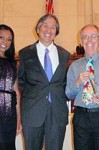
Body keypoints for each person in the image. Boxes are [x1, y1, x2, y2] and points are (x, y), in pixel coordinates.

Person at [18, 14, 70, 150]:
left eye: (53, 27)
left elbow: (65, 83)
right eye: (45, 26)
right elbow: (21, 83)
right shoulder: (25, 54)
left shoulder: (65, 55)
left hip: (57, 113)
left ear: (56, 32)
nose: (49, 30)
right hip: (32, 114)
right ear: (38, 29)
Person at [0, 24, 22, 150]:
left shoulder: (13, 63)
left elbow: (16, 92)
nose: (5, 42)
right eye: (1, 37)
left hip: (9, 116)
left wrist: (19, 119)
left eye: (9, 39)